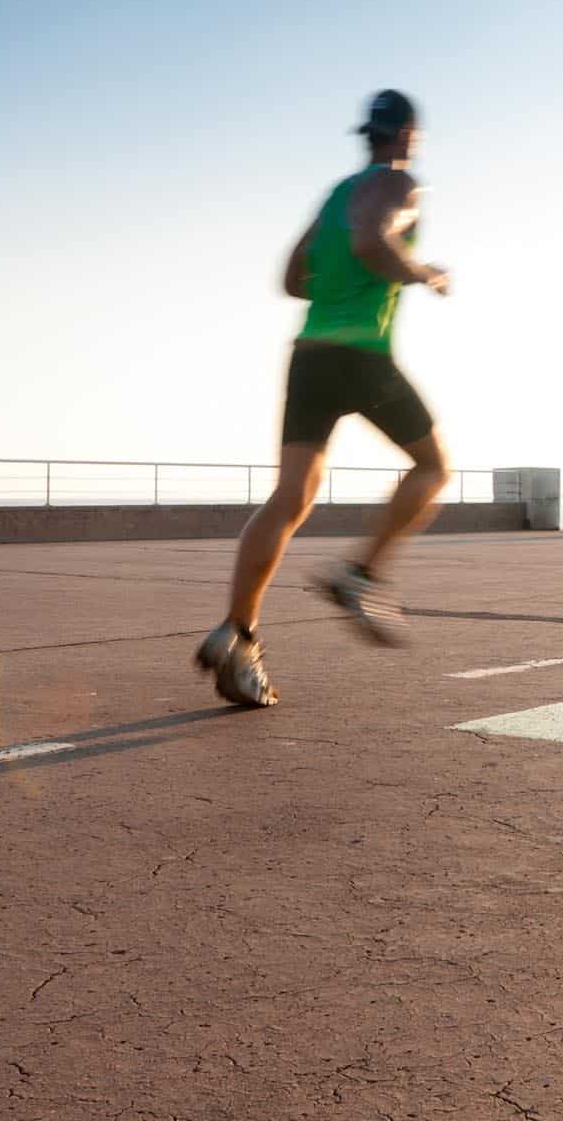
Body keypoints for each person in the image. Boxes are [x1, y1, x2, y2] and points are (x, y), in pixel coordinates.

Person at [195, 89, 454, 706]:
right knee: (433, 468)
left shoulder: (335, 194)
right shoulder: (401, 187)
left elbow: (291, 278)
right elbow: (372, 241)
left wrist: (337, 279)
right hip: (361, 354)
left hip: (309, 355)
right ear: (409, 136)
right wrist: (423, 272)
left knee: (291, 497)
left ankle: (238, 633)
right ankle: (361, 575)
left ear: (367, 134)